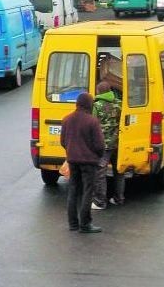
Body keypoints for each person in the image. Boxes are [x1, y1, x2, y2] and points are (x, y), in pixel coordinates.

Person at [60, 92, 105, 233]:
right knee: (87, 191)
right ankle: (85, 224)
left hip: (72, 160)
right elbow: (100, 145)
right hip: (89, 162)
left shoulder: (66, 120)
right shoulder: (92, 121)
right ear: (89, 104)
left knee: (73, 190)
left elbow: (63, 141)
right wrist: (98, 156)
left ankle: (73, 224)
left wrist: (71, 151)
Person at [91, 81, 124, 210]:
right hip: (119, 143)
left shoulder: (97, 106)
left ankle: (100, 201)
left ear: (99, 92)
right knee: (119, 170)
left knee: (100, 173)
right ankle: (119, 198)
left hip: (103, 145)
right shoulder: (119, 104)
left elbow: (92, 125)